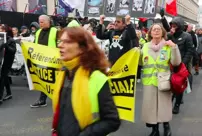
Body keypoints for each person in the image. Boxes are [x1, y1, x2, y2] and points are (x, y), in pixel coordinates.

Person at [51, 26, 120, 136]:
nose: (60, 45)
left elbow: (112, 121)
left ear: (82, 48)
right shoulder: (63, 74)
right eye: (60, 41)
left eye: (67, 42)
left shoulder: (96, 78)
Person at [141, 23, 181, 136]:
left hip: (164, 81)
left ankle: (166, 127)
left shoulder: (168, 46)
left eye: (159, 29)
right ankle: (155, 130)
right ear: (150, 33)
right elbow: (140, 62)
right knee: (151, 107)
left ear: (163, 32)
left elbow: (176, 62)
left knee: (164, 106)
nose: (156, 31)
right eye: (154, 29)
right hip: (149, 82)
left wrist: (174, 47)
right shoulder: (145, 46)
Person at [30, 15, 58, 108]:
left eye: (42, 22)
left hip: (54, 61)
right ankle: (42, 100)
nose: (40, 24)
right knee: (44, 81)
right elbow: (34, 45)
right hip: (42, 61)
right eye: (39, 22)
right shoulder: (38, 32)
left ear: (48, 22)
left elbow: (60, 44)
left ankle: (59, 99)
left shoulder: (55, 31)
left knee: (56, 81)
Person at [168, 17, 194, 114]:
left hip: (181, 65)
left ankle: (177, 104)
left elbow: (189, 51)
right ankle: (168, 102)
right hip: (170, 65)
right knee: (170, 85)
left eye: (175, 25)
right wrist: (170, 34)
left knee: (179, 86)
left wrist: (183, 63)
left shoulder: (187, 36)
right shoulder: (170, 35)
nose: (173, 27)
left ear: (180, 26)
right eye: (172, 25)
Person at [0, 24, 16, 105]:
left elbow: (13, 51)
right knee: (4, 76)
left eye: (2, 30)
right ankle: (9, 93)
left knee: (2, 77)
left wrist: (6, 45)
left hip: (7, 61)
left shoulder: (11, 40)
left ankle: (0, 97)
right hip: (1, 60)